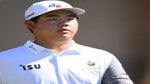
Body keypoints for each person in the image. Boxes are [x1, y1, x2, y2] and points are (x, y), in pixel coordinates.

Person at [0, 0, 134, 84]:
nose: (64, 23)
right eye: (53, 18)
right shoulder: (4, 60)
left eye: (70, 18)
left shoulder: (103, 58)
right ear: (31, 25)